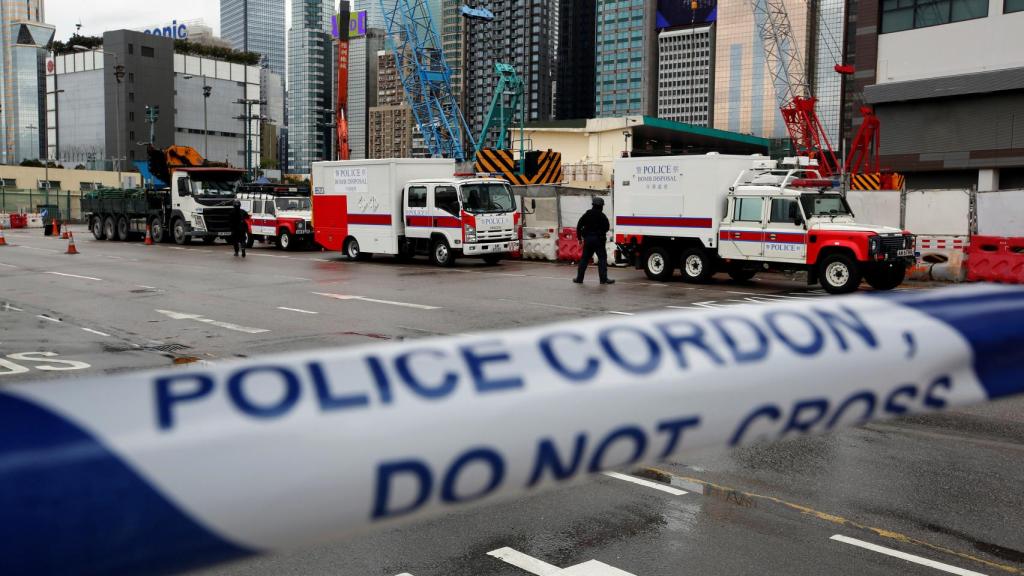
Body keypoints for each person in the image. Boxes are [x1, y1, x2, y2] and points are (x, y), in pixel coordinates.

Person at [573, 196, 615, 285]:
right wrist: (600, 232)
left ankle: (579, 279)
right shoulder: (602, 216)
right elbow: (607, 227)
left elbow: (579, 226)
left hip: (588, 240)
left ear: (593, 205)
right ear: (601, 206)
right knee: (602, 259)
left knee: (584, 259)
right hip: (599, 241)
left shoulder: (587, 214)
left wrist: (579, 238)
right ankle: (603, 279)